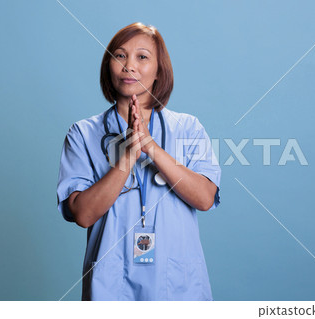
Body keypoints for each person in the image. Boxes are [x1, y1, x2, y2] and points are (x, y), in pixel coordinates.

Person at [56, 22, 221, 301]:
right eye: (120, 55)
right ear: (109, 66)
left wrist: (151, 147)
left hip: (177, 286)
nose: (129, 65)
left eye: (142, 57)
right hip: (111, 285)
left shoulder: (188, 128)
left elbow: (205, 198)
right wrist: (129, 156)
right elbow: (82, 215)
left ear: (159, 71)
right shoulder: (82, 134)